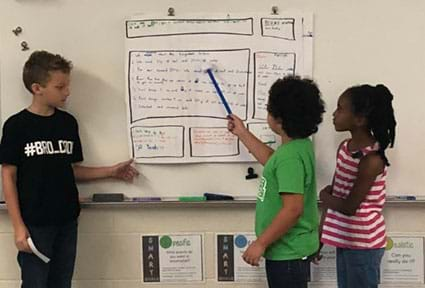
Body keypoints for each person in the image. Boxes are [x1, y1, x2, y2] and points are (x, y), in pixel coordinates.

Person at [0, 50, 139, 288]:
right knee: (35, 283)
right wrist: (18, 227)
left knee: (62, 282)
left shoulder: (66, 123)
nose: (68, 92)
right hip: (35, 224)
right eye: (60, 86)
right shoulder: (16, 126)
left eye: (67, 85)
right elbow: (8, 176)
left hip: (67, 220)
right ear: (37, 88)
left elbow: (71, 170)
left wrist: (110, 171)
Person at [228, 76, 325, 288]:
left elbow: (293, 209)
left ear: (279, 120)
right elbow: (273, 163)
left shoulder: (289, 157)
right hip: (291, 250)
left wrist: (261, 243)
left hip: (287, 253)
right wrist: (243, 133)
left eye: (269, 109)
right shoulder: (298, 147)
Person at [318, 84, 397, 288]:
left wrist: (324, 196)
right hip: (345, 239)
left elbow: (349, 206)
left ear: (360, 119)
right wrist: (319, 239)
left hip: (364, 245)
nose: (334, 114)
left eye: (340, 108)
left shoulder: (371, 160)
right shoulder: (345, 148)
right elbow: (336, 195)